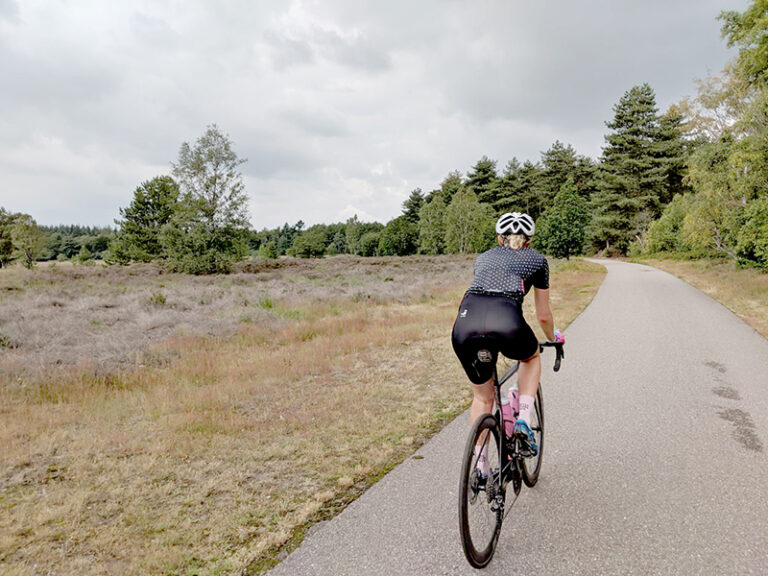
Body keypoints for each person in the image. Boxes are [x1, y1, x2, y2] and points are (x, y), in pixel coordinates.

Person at [451, 212, 564, 468]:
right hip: (507, 321)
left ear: (498, 237)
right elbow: (544, 315)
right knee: (531, 357)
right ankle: (523, 419)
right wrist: (553, 337)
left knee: (482, 398)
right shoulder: (537, 260)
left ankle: (480, 469)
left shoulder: (484, 258)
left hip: (466, 323)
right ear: (528, 240)